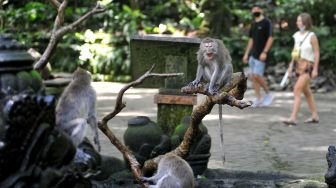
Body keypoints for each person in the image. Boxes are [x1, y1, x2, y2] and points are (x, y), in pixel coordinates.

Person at [283, 13, 320, 125]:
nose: (297, 22)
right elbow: (295, 53)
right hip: (298, 66)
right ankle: (315, 116)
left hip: (308, 66)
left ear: (305, 22)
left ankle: (293, 118)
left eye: (299, 20)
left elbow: (316, 53)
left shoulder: (311, 36)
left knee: (297, 90)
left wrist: (315, 69)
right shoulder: (296, 35)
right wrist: (290, 66)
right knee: (307, 92)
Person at [243, 5, 274, 108]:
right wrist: (247, 54)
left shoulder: (267, 22)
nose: (255, 11)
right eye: (253, 9)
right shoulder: (253, 24)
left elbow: (270, 38)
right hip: (253, 55)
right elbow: (251, 40)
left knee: (257, 75)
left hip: (262, 54)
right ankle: (259, 99)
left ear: (261, 10)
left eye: (257, 9)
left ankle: (269, 94)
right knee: (253, 77)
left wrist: (265, 52)